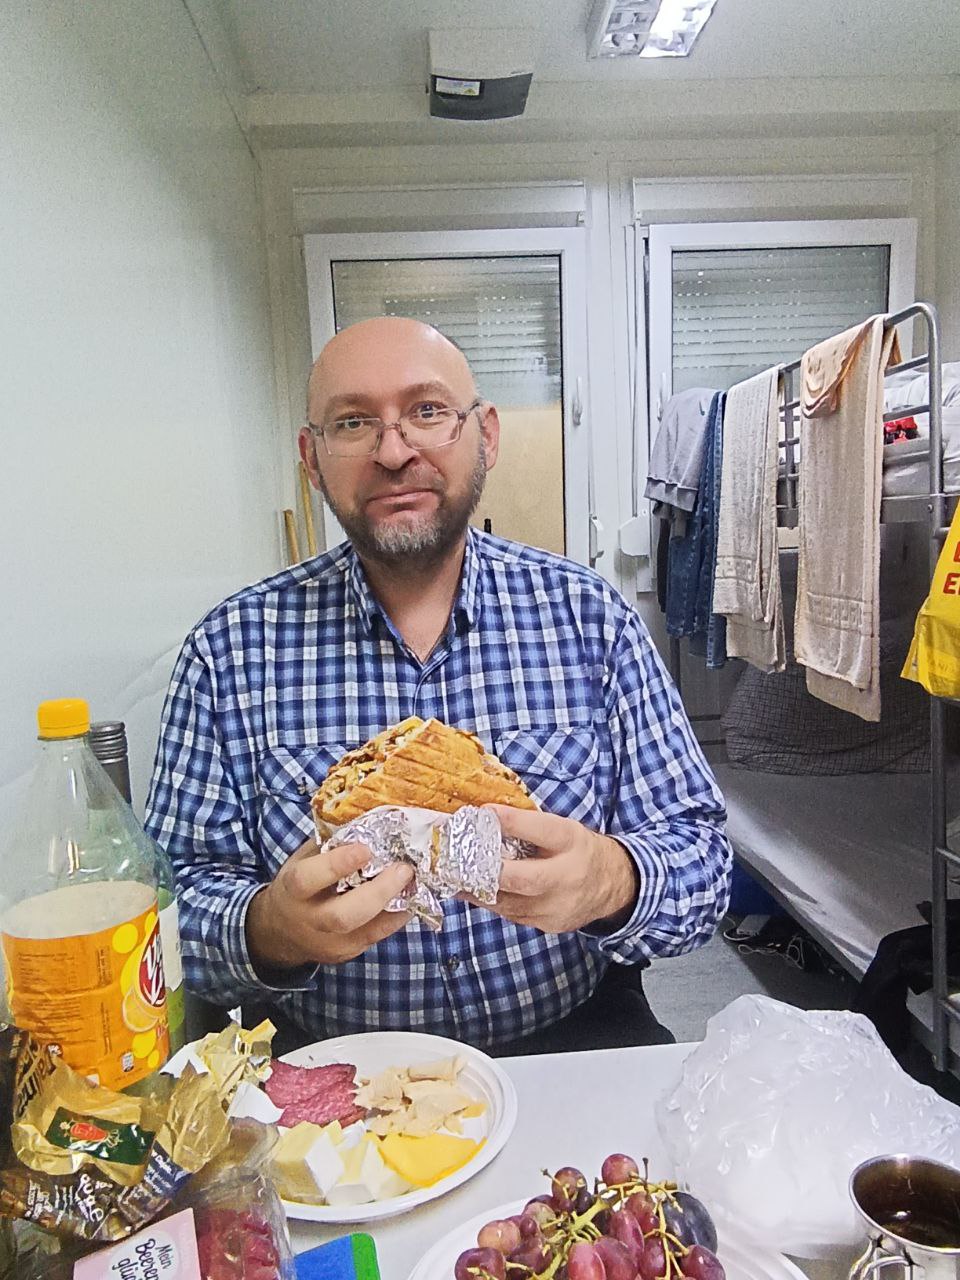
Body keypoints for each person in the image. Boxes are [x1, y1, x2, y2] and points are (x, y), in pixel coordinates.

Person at [145, 316, 732, 1055]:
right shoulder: (229, 652)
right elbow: (166, 916)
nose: (394, 452)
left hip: (572, 1040)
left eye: (427, 411)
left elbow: (703, 865)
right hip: (337, 1070)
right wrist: (269, 929)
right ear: (312, 459)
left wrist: (612, 881)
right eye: (353, 422)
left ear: (485, 435)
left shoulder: (592, 621)